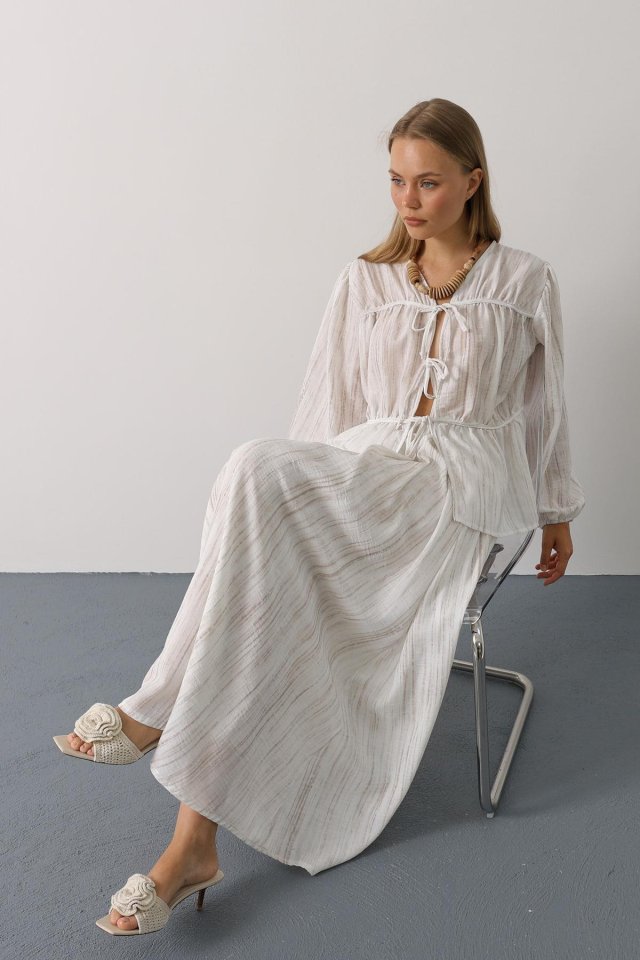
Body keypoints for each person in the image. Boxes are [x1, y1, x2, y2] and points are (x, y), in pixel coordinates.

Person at [53, 97, 585, 935]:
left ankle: (156, 713)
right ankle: (191, 844)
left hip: (457, 488)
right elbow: (324, 411)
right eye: (396, 181)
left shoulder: (525, 280)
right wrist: (305, 507)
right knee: (256, 490)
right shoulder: (363, 280)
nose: (408, 200)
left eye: (428, 183)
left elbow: (544, 408)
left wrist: (556, 511)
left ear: (473, 181)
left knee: (256, 490)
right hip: (367, 472)